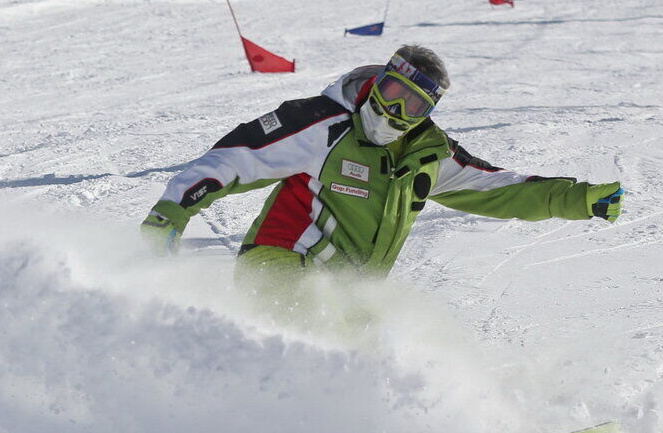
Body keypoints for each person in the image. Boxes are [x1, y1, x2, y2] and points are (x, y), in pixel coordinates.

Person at [140, 45, 624, 278]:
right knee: (309, 350)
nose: (396, 111)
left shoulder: (429, 157)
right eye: (393, 93)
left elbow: (503, 188)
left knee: (387, 361)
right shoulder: (325, 122)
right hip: (281, 267)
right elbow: (234, 159)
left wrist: (579, 199)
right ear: (380, 81)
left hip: (349, 290)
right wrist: (171, 215)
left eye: (414, 106)